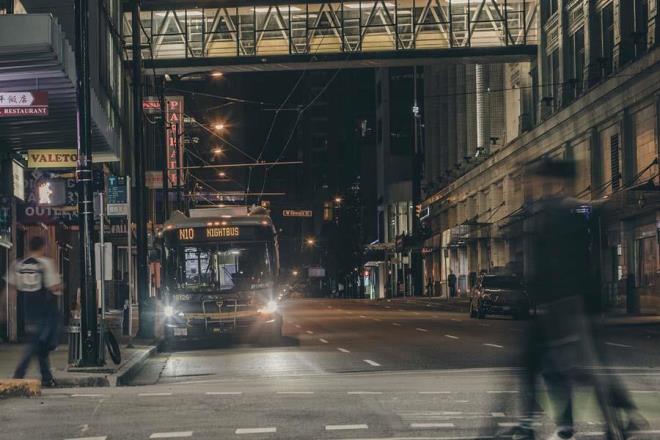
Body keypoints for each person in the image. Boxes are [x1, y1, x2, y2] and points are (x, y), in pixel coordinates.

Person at [3, 236, 61, 387]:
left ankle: (47, 378)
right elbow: (54, 287)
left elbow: (10, 288)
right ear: (42, 247)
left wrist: (5, 307)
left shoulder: (18, 264)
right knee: (35, 344)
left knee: (39, 345)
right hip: (45, 309)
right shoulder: (46, 264)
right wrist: (62, 286)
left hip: (27, 308)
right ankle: (18, 376)